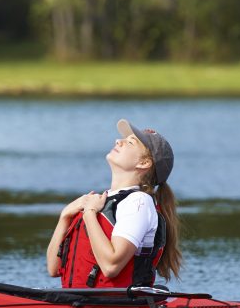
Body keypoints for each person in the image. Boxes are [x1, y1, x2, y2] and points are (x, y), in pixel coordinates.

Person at [46, 119, 181, 288]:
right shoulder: (104, 201)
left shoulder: (139, 202)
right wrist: (65, 216)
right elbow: (53, 269)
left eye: (130, 142)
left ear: (144, 163)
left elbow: (111, 267)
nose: (118, 141)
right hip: (79, 302)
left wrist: (89, 214)